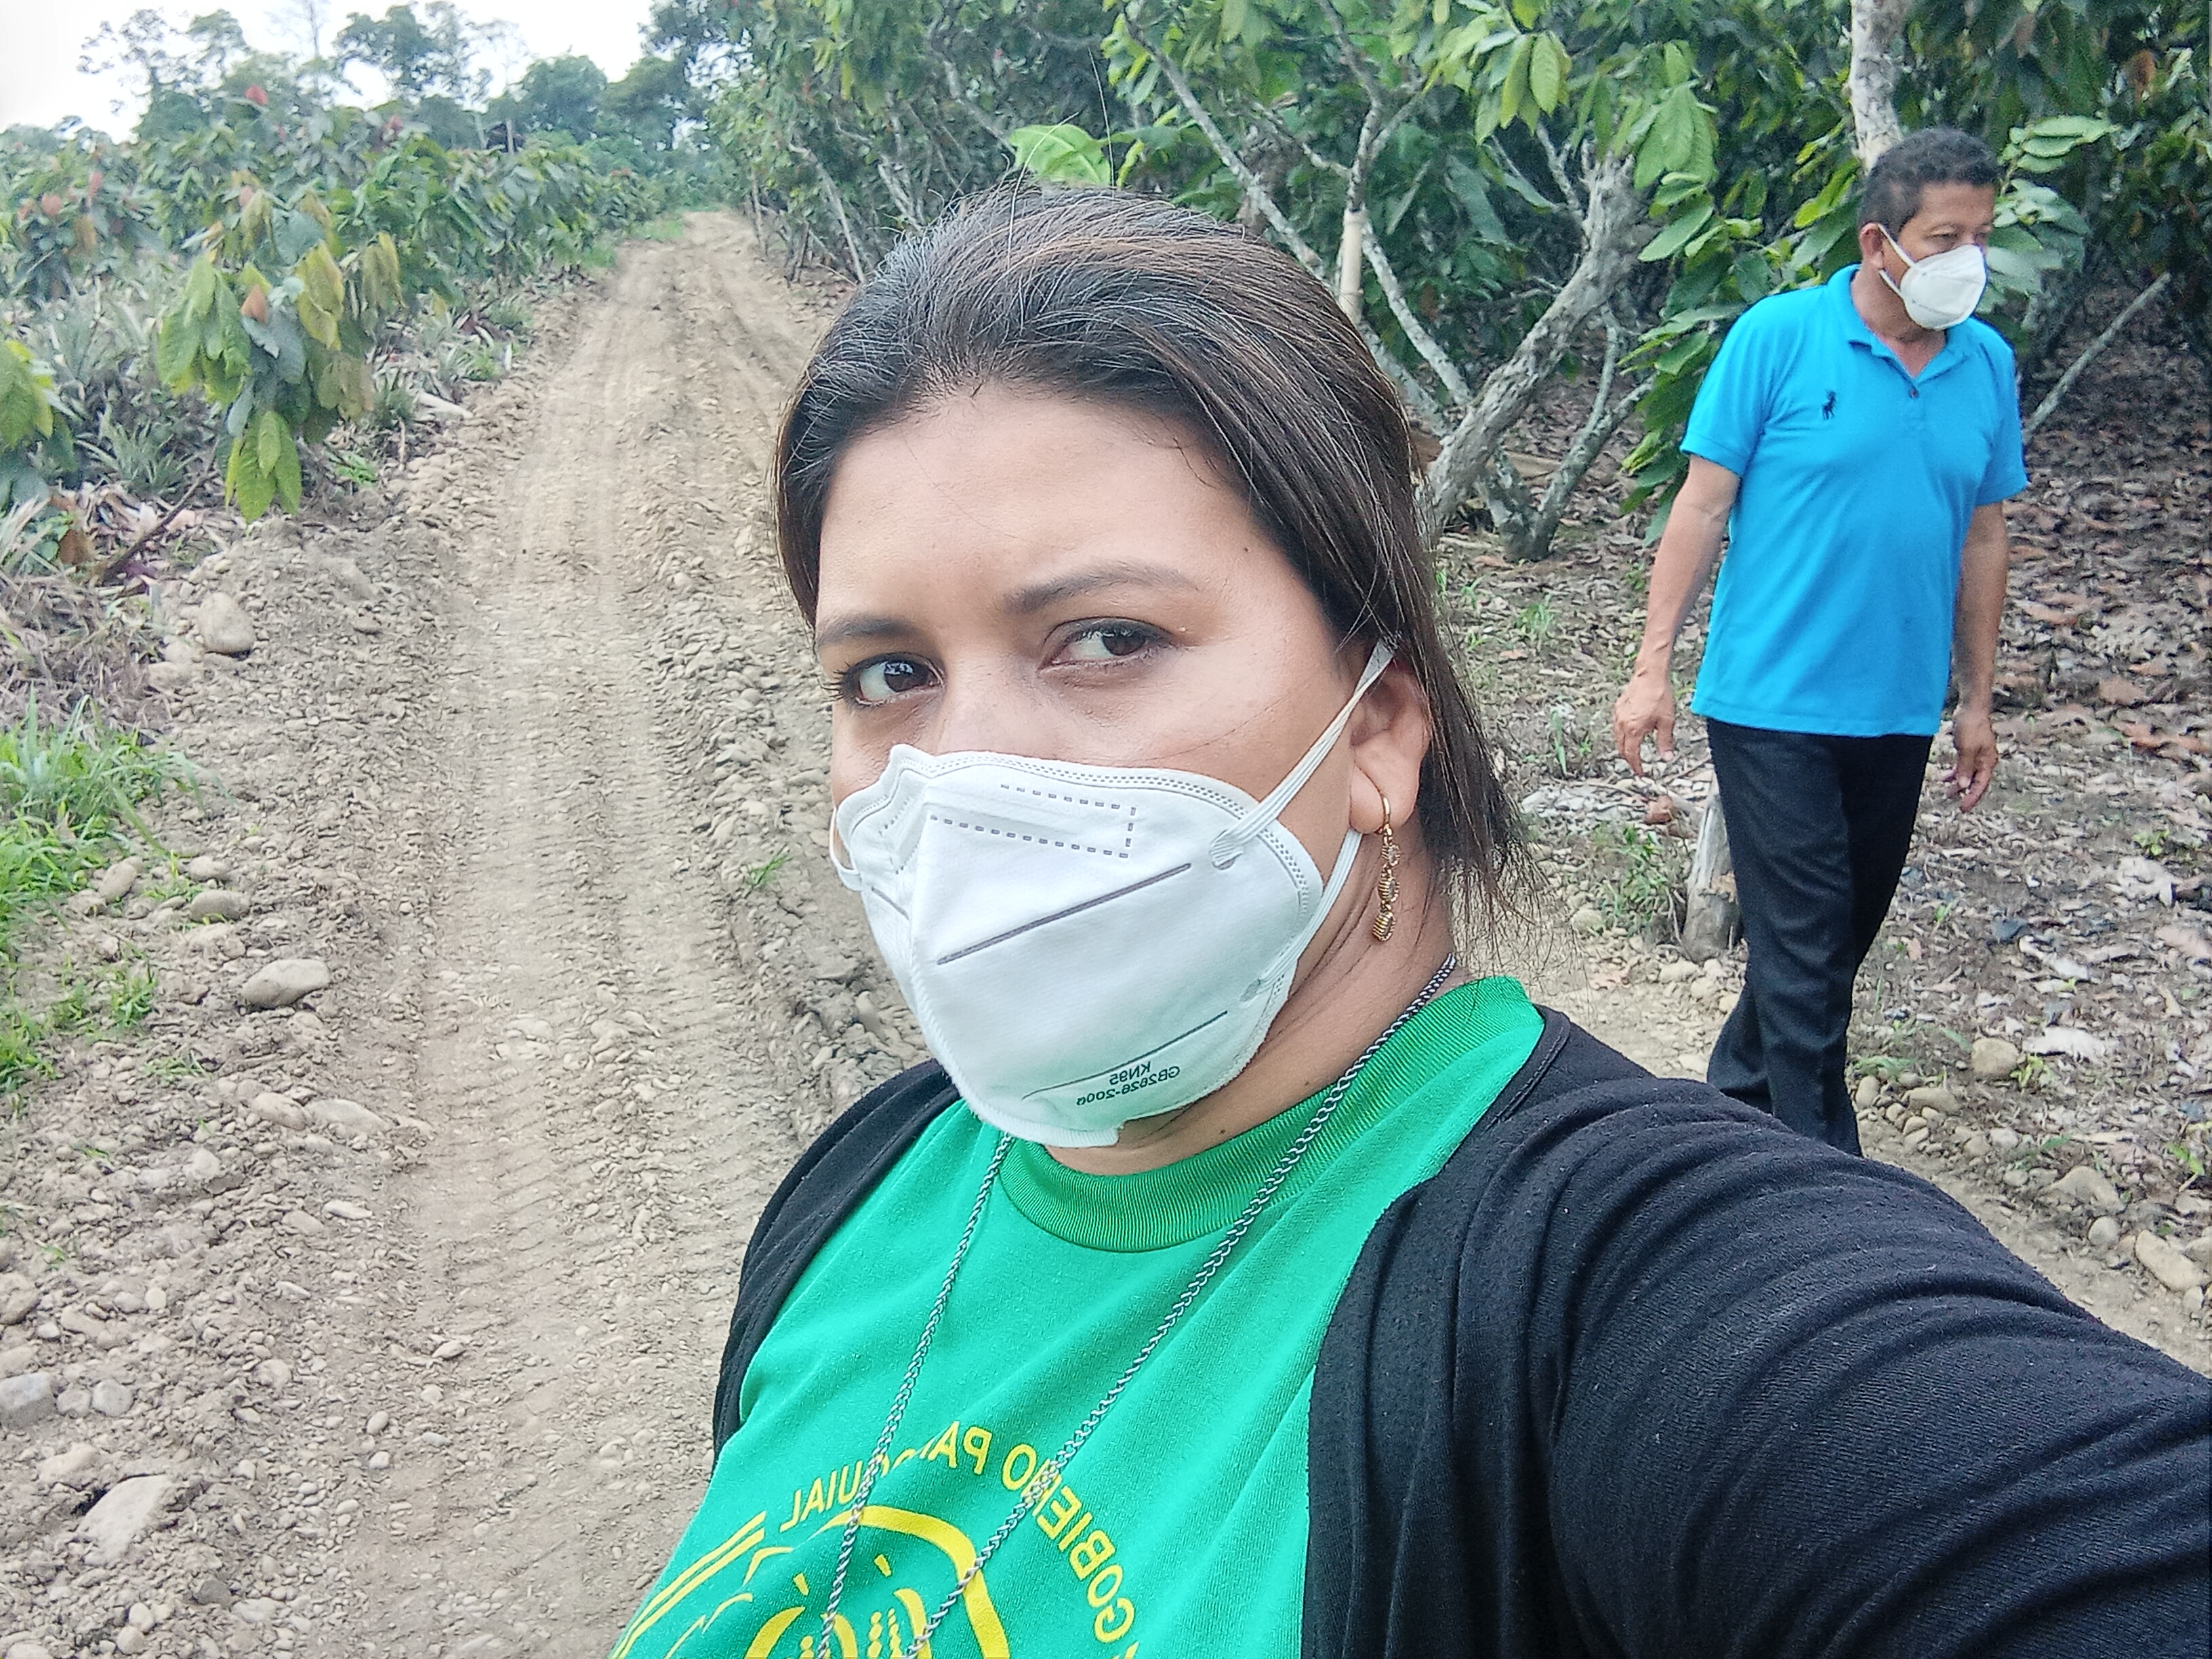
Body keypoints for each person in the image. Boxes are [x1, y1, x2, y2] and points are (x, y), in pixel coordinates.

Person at [613, 188, 2207, 1659]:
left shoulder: (1595, 1294)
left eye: (1106, 638)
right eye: (888, 675)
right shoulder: (865, 1187)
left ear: (1380, 727)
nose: (966, 775)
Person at [1611, 127, 2026, 1153]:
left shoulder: (1985, 364)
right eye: (1945, 238)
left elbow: (1983, 536)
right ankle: (1826, 1183)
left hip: (1896, 708)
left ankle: (1728, 1119)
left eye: (1982, 234)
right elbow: (1702, 507)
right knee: (1804, 953)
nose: (1969, 258)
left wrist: (1977, 700)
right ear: (1880, 242)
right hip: (1772, 700)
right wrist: (1651, 668)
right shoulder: (1780, 337)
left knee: (1834, 943)